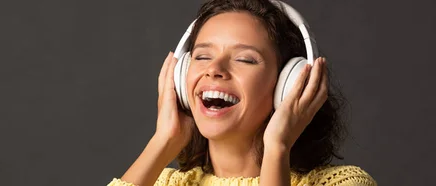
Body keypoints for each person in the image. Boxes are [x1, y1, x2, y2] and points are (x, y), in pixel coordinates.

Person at [108, 0, 377, 185]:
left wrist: (277, 149)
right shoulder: (162, 182)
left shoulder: (343, 183)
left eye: (245, 59)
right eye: (202, 56)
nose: (214, 69)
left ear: (290, 84)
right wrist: (164, 140)